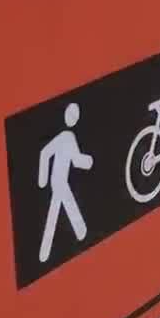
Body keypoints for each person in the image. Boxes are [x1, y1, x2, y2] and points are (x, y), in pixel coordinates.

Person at [37, 103, 93, 262]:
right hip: (59, 181)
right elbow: (45, 153)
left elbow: (46, 154)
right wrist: (42, 180)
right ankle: (45, 251)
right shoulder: (67, 137)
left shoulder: (66, 137)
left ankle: (80, 231)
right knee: (55, 213)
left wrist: (44, 180)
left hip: (59, 181)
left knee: (63, 207)